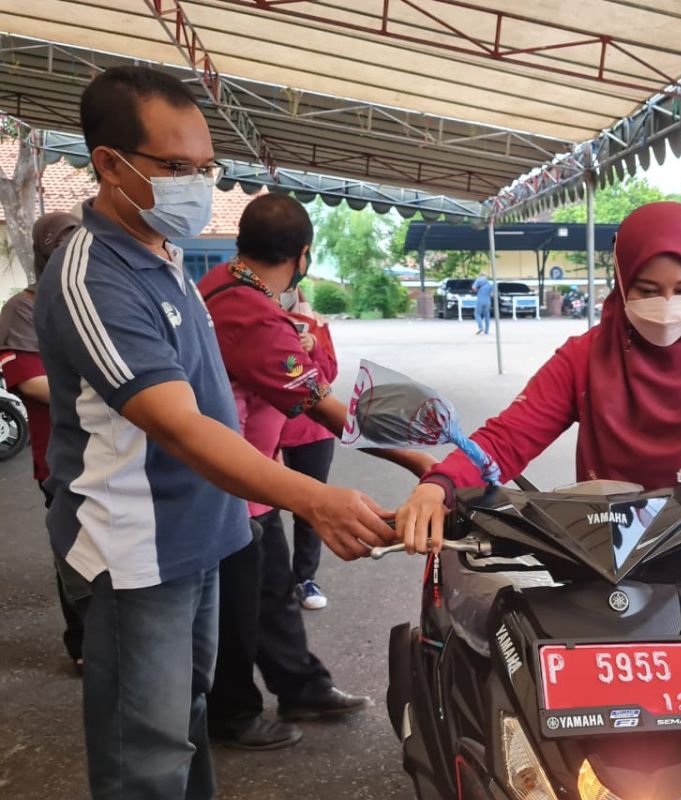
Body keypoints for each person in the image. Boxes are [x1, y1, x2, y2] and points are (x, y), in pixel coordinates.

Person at [34, 65, 403, 798]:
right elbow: (184, 429)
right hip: (137, 552)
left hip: (202, 533)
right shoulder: (94, 278)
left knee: (185, 721)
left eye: (206, 168)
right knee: (146, 748)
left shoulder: (164, 260)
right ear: (108, 165)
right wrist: (316, 500)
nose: (195, 186)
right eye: (176, 168)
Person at [394, 201, 681, 557]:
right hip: (607, 560)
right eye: (647, 291)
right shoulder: (585, 357)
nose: (668, 307)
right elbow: (509, 437)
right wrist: (440, 484)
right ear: (621, 281)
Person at [199, 194, 433, 750]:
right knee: (238, 606)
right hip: (227, 487)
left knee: (271, 588)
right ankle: (231, 713)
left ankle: (302, 685)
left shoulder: (219, 284)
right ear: (303, 256)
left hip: (252, 486)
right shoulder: (251, 313)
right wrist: (418, 460)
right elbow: (324, 406)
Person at [0, 211, 83, 670]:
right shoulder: (23, 309)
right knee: (74, 553)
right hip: (61, 458)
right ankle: (85, 644)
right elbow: (31, 382)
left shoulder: (88, 298)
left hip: (112, 453)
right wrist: (112, 393)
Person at [279, 286, 338, 610]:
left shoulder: (315, 321)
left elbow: (329, 373)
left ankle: (304, 578)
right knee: (260, 514)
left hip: (313, 430)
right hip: (266, 430)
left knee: (309, 509)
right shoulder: (256, 314)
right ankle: (267, 584)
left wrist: (313, 346)